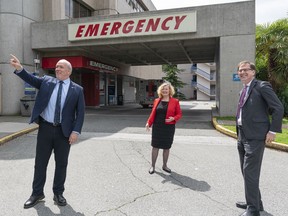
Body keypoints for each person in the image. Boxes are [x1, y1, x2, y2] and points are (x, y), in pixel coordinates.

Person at [10, 54, 85, 209]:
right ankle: (37, 193)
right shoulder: (47, 81)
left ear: (69, 71)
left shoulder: (77, 90)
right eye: (56, 66)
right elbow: (31, 79)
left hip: (64, 133)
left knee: (61, 164)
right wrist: (20, 69)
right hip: (45, 128)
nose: (57, 69)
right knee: (40, 163)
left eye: (61, 67)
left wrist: (75, 131)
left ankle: (58, 193)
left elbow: (81, 113)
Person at [235, 61, 284, 216]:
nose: (242, 72)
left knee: (250, 172)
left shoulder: (262, 86)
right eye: (240, 70)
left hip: (255, 136)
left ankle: (253, 209)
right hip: (242, 134)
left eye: (246, 70)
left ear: (253, 72)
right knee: (246, 171)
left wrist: (273, 130)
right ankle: (256, 202)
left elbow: (278, 107)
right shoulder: (243, 90)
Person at [145, 82, 182, 174]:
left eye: (167, 89)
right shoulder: (157, 100)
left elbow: (179, 114)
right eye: (163, 89)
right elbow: (153, 113)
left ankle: (165, 165)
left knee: (166, 147)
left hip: (168, 128)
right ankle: (152, 166)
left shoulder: (175, 101)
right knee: (155, 146)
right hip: (157, 127)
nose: (165, 90)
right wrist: (148, 123)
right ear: (160, 90)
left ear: (170, 90)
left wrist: (173, 118)